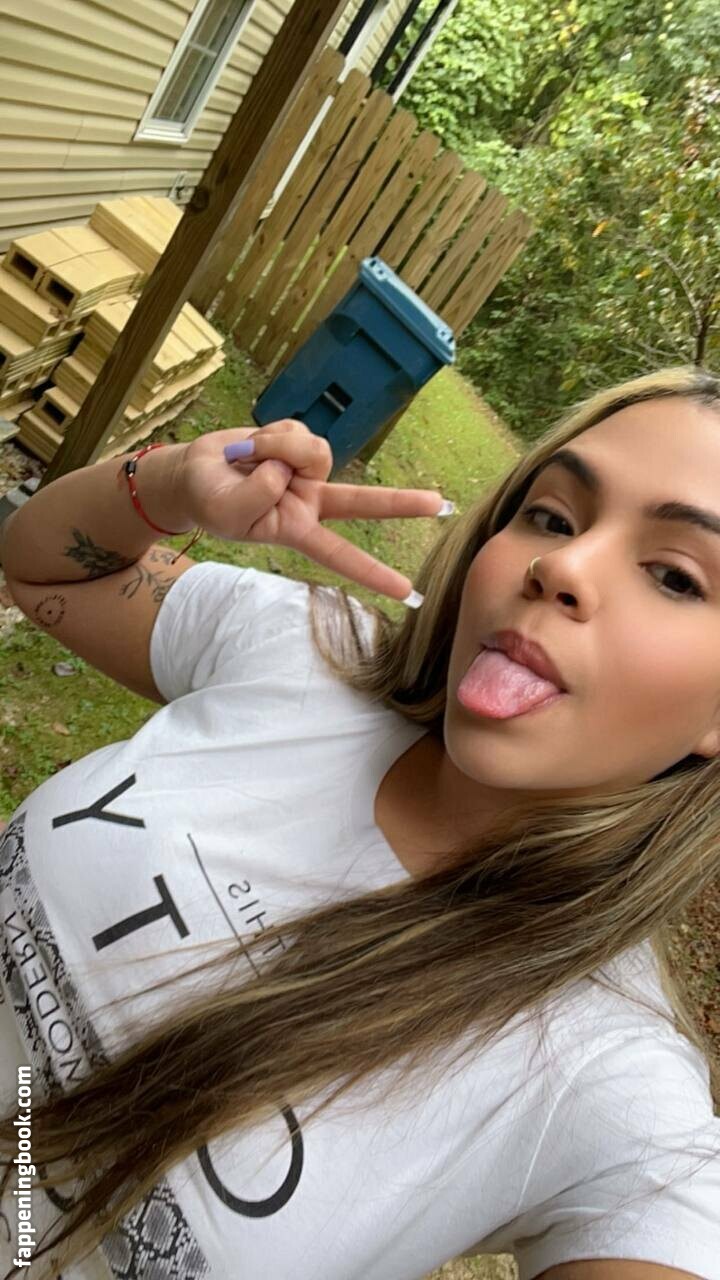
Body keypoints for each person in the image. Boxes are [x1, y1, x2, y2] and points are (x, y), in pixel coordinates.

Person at [0, 363, 719, 1280]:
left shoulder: (615, 1092)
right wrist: (175, 482)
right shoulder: (301, 648)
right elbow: (43, 564)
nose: (562, 566)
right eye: (551, 517)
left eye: (674, 576)